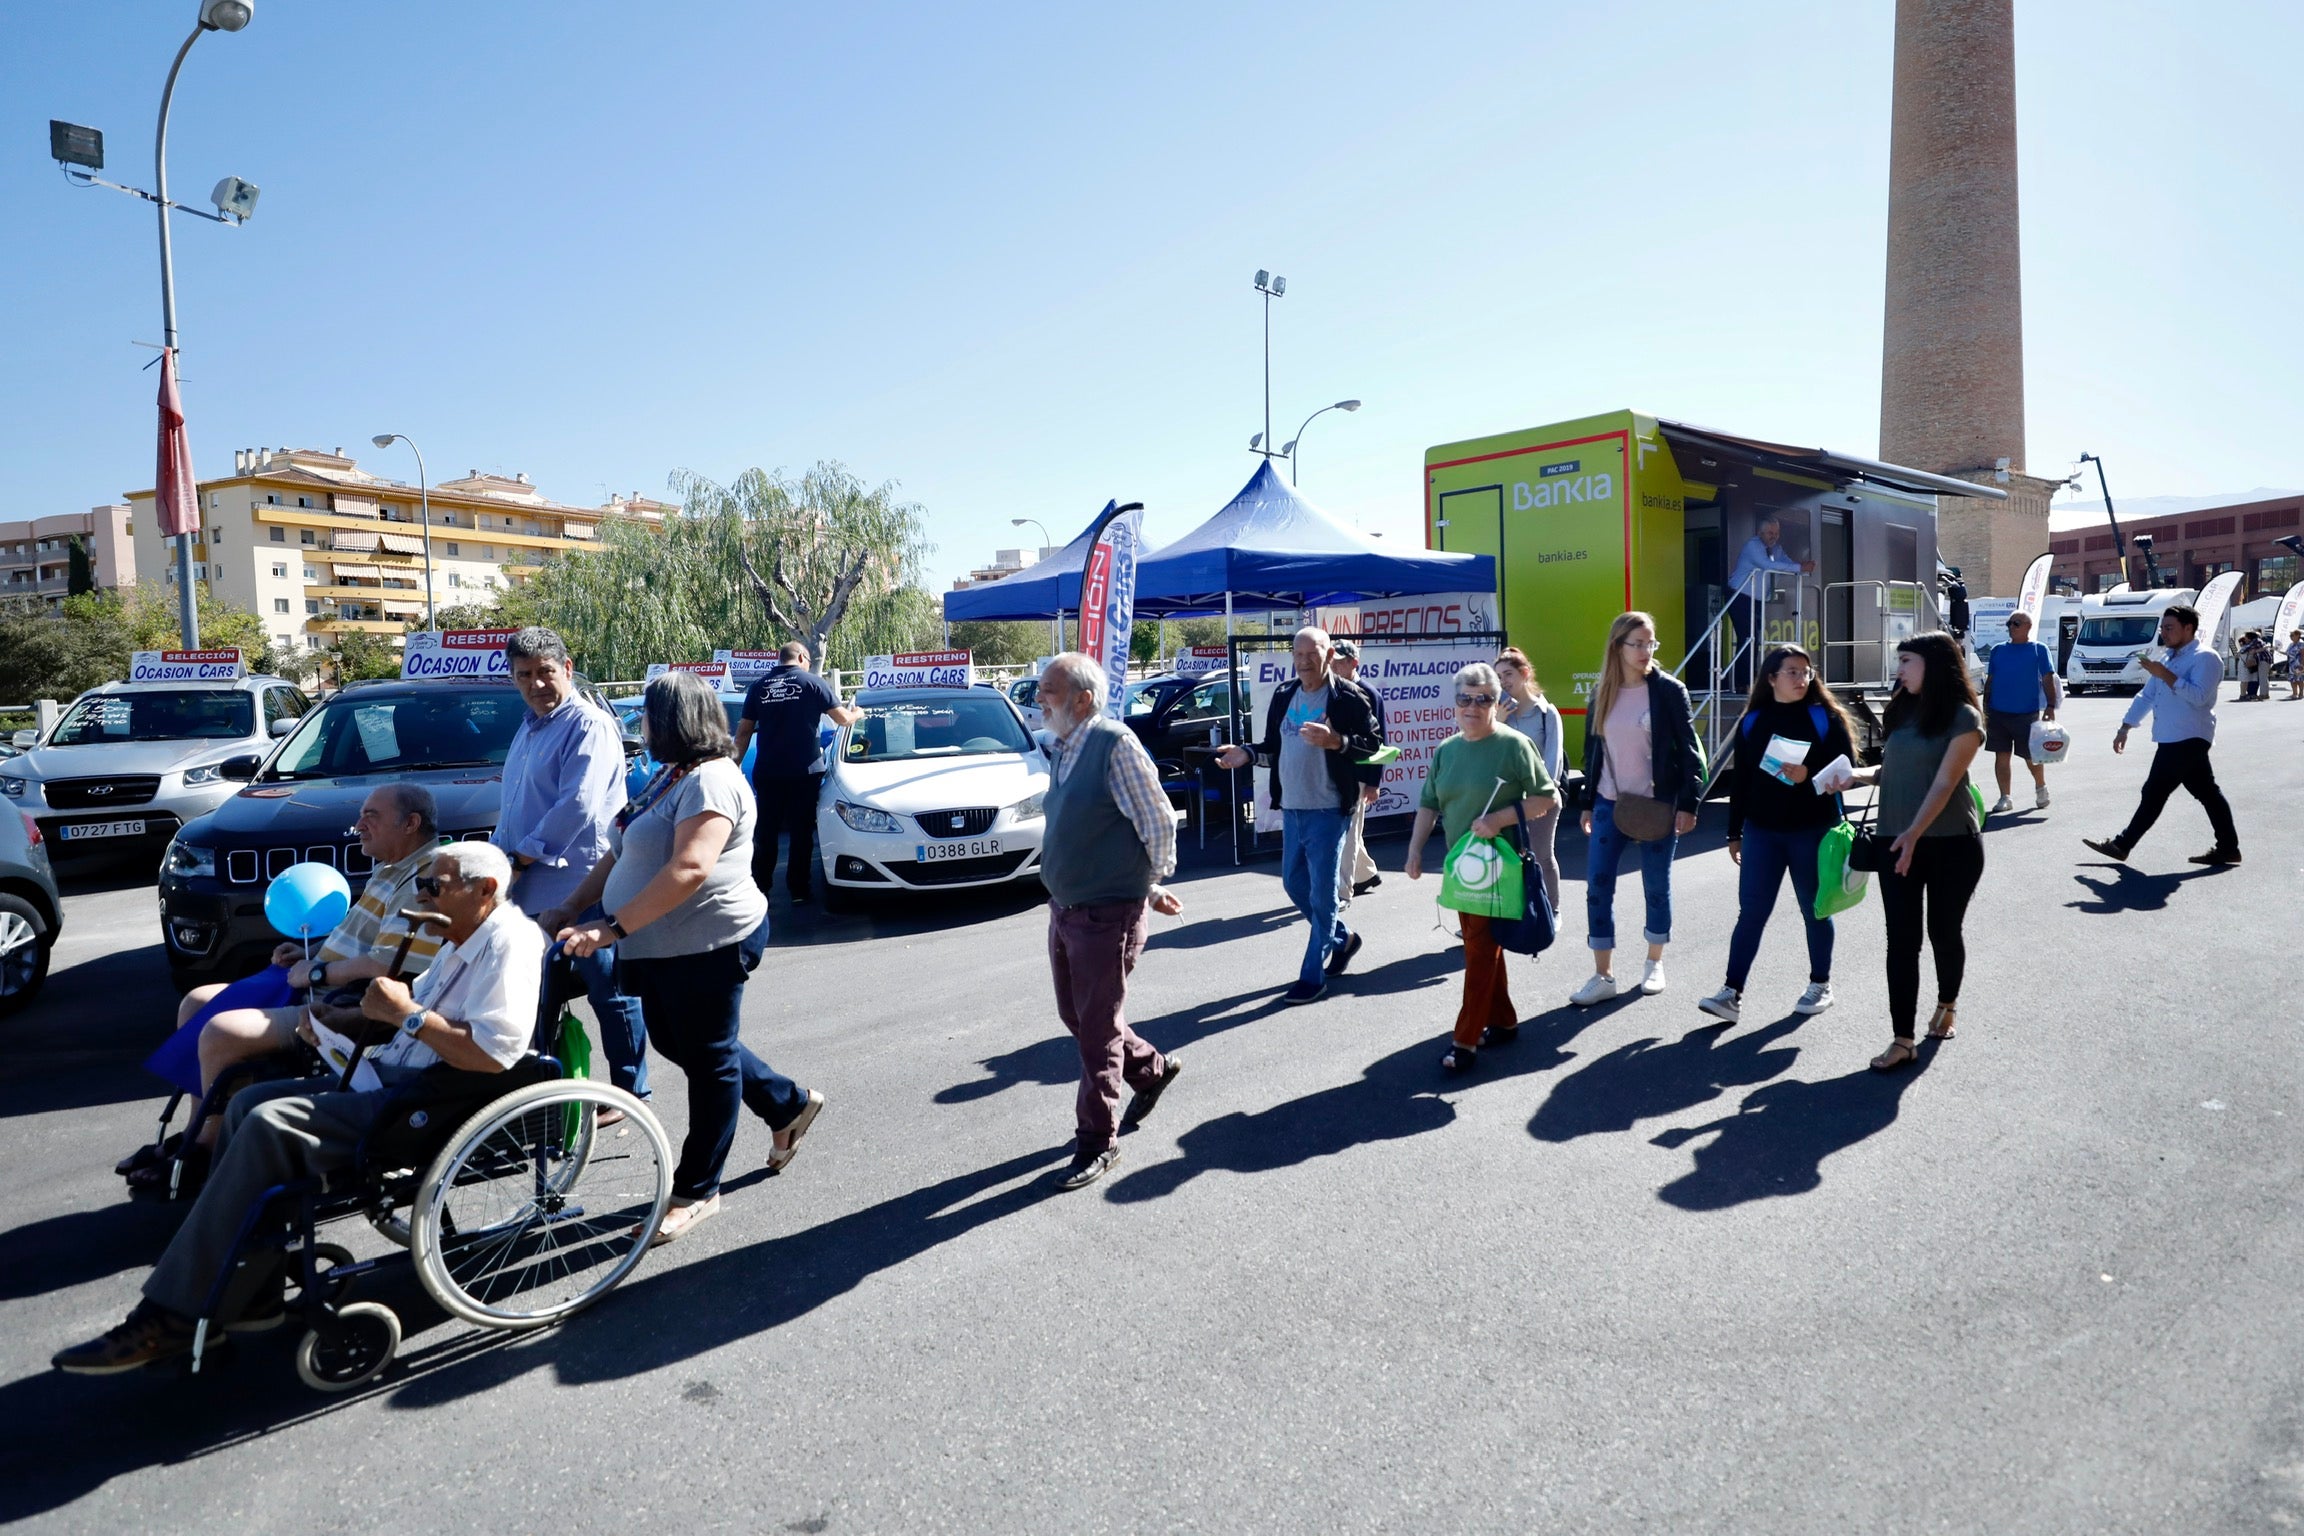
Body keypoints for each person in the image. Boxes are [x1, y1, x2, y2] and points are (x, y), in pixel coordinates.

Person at [56, 842, 543, 1374]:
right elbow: (400, 1014)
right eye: (422, 884)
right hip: (392, 1075)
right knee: (247, 1102)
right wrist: (340, 1020)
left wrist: (407, 1016)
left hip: (435, 1100)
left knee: (270, 1121)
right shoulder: (458, 938)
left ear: (486, 890)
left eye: (434, 886)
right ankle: (248, 1289)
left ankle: (171, 1313)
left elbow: (493, 1054)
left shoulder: (510, 944)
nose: (421, 896)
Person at [558, 670, 820, 1245]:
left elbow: (690, 868)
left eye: (649, 715)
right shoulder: (670, 776)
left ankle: (699, 1190)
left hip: (709, 943)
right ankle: (787, 1104)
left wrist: (610, 927)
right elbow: (620, 848)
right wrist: (573, 906)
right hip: (659, 944)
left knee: (708, 1061)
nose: (642, 725)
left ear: (676, 719)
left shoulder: (712, 781)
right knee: (683, 1044)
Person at [119, 784, 447, 1191]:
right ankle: (199, 1131)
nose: (358, 825)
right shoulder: (392, 866)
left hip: (351, 1008)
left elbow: (389, 966)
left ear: (411, 823)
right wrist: (313, 953)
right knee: (196, 1002)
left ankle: (202, 1153)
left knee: (223, 1031)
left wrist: (316, 974)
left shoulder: (424, 877)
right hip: (322, 986)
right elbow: (367, 941)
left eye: (371, 816)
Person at [1030, 653, 1186, 1191]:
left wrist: (1147, 883)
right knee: (1077, 1015)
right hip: (1069, 910)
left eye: (1049, 690)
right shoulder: (1063, 747)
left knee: (1096, 1033)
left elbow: (1158, 819)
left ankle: (1098, 1142)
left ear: (1083, 699)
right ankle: (1150, 1069)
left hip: (1105, 915)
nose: (1040, 698)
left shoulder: (1112, 743)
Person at [495, 627, 650, 1106]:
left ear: (567, 668)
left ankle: (630, 1094)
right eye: (524, 676)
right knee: (536, 992)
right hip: (529, 887)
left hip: (585, 884)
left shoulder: (588, 724)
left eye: (545, 672)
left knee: (611, 992)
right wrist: (498, 864)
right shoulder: (529, 726)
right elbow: (515, 806)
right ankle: (545, 1093)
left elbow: (576, 807)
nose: (536, 684)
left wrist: (520, 858)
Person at [1819, 632, 1985, 1072]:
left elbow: (1945, 782)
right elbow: (1894, 768)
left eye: (1906, 661)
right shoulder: (1904, 708)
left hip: (1951, 844)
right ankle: (1903, 1039)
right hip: (1895, 842)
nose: (1899, 670)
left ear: (1933, 663)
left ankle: (1947, 1004)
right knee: (1901, 942)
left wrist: (1914, 833)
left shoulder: (1964, 717)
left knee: (1943, 934)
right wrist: (1854, 777)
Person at [1213, 626, 1385, 1004]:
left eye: (1313, 654)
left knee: (1323, 895)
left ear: (1329, 657)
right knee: (1294, 884)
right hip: (1292, 807)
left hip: (1328, 809)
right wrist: (1246, 753)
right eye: (1299, 654)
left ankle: (1313, 976)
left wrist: (1336, 741)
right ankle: (1344, 939)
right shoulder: (1284, 694)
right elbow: (1272, 747)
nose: (1305, 661)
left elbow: (1373, 747)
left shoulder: (1349, 698)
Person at [1403, 662, 1555, 1073]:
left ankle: (1465, 1040)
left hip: (1499, 870)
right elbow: (1429, 804)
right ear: (1455, 703)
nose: (1473, 706)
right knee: (1483, 947)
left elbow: (1546, 798)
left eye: (1483, 699)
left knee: (1479, 951)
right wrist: (1415, 850)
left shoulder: (1514, 745)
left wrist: (1498, 820)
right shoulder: (1446, 750)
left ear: (1496, 701)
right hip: (1461, 868)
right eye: (1466, 699)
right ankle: (1503, 1021)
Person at [1697, 645, 1855, 1026]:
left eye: (1806, 672)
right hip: (1762, 832)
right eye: (1792, 672)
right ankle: (1731, 992)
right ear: (1771, 678)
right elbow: (1743, 783)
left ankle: (1821, 984)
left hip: (1812, 829)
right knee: (1751, 912)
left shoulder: (1825, 717)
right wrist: (1733, 832)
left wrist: (1809, 774)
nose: (1802, 679)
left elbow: (1846, 771)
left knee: (1815, 909)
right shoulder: (1753, 720)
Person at [1571, 612, 1703, 1006]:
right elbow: (1592, 752)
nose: (1646, 651)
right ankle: (1603, 974)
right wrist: (1587, 803)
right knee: (1597, 888)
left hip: (1658, 804)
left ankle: (1654, 962)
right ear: (1618, 646)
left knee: (1656, 886)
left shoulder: (1667, 691)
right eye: (1638, 644)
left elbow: (1689, 749)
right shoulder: (1601, 693)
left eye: (1651, 643)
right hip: (1610, 804)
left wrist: (1689, 803)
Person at [2082, 603, 2241, 868]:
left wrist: (2165, 675)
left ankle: (2122, 845)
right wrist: (2125, 726)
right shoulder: (2167, 659)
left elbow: (2200, 698)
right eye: (2162, 628)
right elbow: (2147, 696)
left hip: (2189, 736)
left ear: (2188, 628)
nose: (2163, 633)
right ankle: (2228, 848)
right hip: (2171, 736)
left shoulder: (2206, 657)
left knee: (2154, 791)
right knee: (2207, 793)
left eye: (2169, 628)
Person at [732, 641, 863, 904]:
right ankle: (799, 890)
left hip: (768, 771)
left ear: (780, 659)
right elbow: (842, 719)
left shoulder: (759, 687)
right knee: (801, 832)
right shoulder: (813, 683)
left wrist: (733, 766)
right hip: (805, 771)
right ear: (802, 657)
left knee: (766, 832)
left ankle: (760, 888)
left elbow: (744, 732)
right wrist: (857, 713)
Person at [1494, 646, 1564, 910]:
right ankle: (1508, 916)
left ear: (1525, 674)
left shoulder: (1547, 714)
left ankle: (1551, 911)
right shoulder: (1499, 715)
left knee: (1541, 856)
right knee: (1506, 859)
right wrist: (1498, 722)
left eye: (1509, 674)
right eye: (1499, 677)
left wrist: (1540, 798)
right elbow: (1491, 756)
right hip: (1508, 800)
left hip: (1541, 799)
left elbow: (1553, 762)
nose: (1504, 682)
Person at [1982, 610, 2061, 815]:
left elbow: (2047, 679)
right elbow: (1990, 681)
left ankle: (2041, 787)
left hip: (2026, 712)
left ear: (2028, 626)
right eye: (2009, 623)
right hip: (1998, 712)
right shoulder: (1998, 650)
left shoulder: (2038, 649)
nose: (2011, 627)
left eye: (2016, 623)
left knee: (2031, 755)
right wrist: (1985, 709)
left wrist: (2051, 706)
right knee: (2001, 755)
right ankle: (2005, 797)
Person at [1726, 515, 1813, 686]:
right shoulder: (1753, 545)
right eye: (1770, 533)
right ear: (1760, 533)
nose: (1774, 536)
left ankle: (1751, 678)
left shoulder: (1776, 549)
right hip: (1739, 597)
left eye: (1776, 533)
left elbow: (1786, 563)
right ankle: (1742, 682)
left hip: (1756, 600)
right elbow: (1767, 565)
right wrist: (1798, 567)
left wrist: (1802, 568)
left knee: (1755, 639)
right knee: (1747, 638)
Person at [1330, 638, 1386, 901]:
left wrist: (1373, 782)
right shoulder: (1332, 690)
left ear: (1354, 662)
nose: (1334, 666)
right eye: (1332, 661)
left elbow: (1379, 742)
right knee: (1346, 829)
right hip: (1333, 772)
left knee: (1349, 832)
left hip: (1357, 776)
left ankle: (1342, 891)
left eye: (1340, 662)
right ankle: (1365, 874)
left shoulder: (1368, 693)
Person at [2288, 630, 2303, 701]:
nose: (2291, 637)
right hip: (2291, 664)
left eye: (2292, 635)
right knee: (2292, 679)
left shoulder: (2301, 644)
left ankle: (2301, 693)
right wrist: (2277, 650)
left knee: (2299, 679)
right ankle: (2294, 693)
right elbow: (2287, 653)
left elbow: (2303, 655)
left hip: (2298, 664)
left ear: (2297, 636)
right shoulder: (2291, 644)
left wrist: (2302, 664)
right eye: (2290, 636)